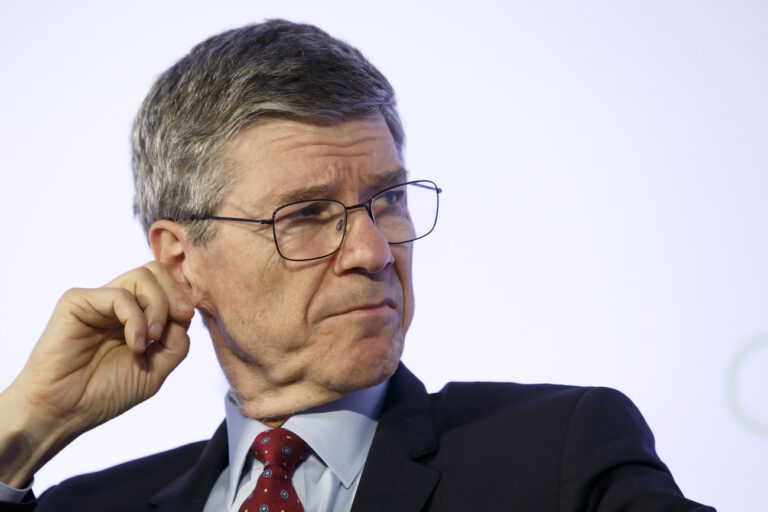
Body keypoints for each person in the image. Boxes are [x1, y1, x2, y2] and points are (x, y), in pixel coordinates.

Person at [0, 19, 714, 512]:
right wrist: (22, 431)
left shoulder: (558, 455)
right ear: (182, 263)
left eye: (389, 199)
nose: (374, 252)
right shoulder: (91, 503)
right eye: (307, 214)